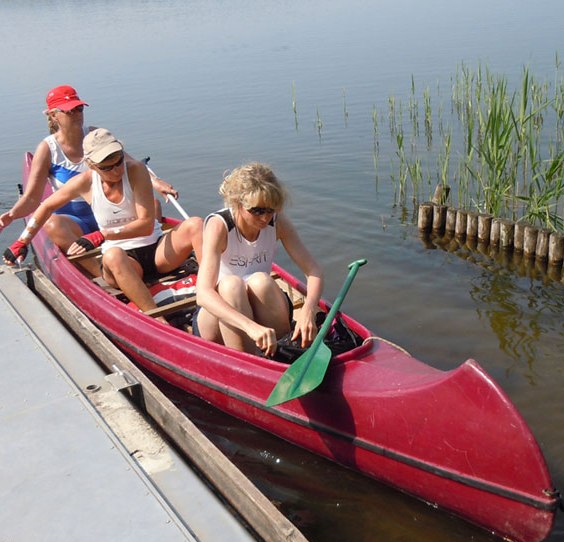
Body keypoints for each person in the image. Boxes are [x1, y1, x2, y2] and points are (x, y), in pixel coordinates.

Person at [3, 128, 203, 322]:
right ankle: (158, 320)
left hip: (157, 251)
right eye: (106, 167)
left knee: (196, 224)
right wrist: (21, 242)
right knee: (113, 255)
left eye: (118, 162)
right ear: (90, 164)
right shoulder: (85, 182)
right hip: (126, 262)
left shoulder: (136, 170)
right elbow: (46, 207)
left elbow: (146, 226)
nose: (116, 171)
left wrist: (102, 235)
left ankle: (212, 290)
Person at [0, 84, 178, 275]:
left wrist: (157, 182)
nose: (77, 114)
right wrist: (12, 216)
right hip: (75, 220)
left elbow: (130, 164)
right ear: (53, 115)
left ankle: (151, 255)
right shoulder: (48, 149)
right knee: (52, 224)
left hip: (110, 213)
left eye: (79, 108)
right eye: (69, 111)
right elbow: (33, 199)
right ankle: (101, 274)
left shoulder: (96, 137)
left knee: (153, 205)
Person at [194, 163, 323, 357]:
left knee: (261, 281)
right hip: (219, 316)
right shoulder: (218, 226)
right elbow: (203, 294)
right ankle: (246, 361)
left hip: (260, 306)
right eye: (257, 211)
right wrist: (250, 327)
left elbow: (314, 271)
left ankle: (284, 353)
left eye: (270, 210)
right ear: (237, 204)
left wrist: (308, 309)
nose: (265, 218)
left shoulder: (278, 222)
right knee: (232, 285)